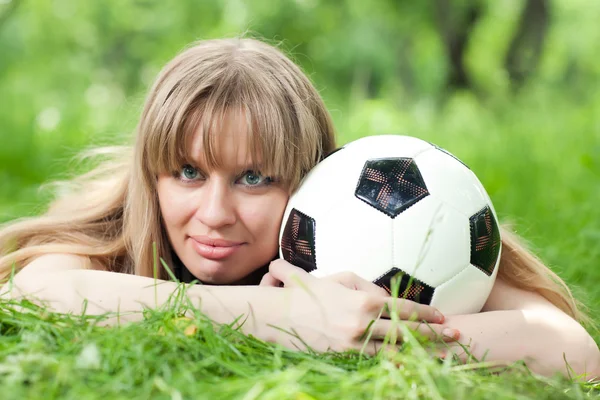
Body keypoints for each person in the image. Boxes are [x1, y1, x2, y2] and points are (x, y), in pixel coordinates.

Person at [0, 37, 598, 380]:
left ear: (313, 182)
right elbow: (33, 294)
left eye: (253, 178)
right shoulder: (123, 218)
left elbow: (571, 351)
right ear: (151, 174)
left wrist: (369, 334)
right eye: (187, 172)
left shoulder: (371, 219)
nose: (213, 212)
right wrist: (285, 318)